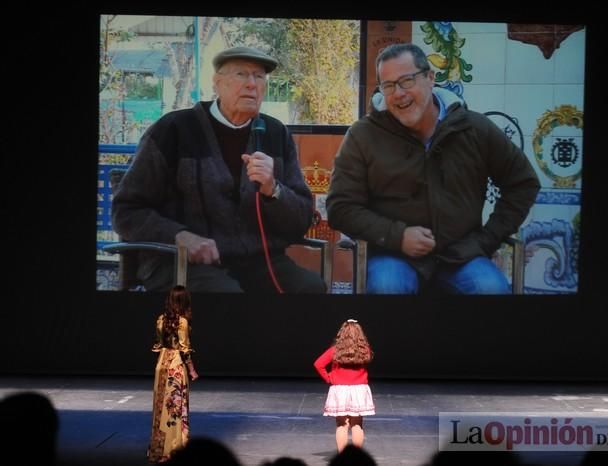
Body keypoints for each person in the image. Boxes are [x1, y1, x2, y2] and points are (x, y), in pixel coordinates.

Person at [326, 43, 541, 294]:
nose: (398, 93)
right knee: (387, 286)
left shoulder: (473, 128)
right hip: (392, 255)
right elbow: (340, 207)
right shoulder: (364, 135)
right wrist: (397, 236)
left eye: (407, 81)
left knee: (490, 288)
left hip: (462, 255)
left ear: (430, 78)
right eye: (388, 85)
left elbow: (523, 183)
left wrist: (486, 240)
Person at [112, 46, 326, 293]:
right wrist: (180, 237)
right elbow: (125, 211)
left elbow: (301, 220)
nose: (252, 84)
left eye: (259, 77)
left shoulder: (276, 134)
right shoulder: (173, 130)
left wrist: (274, 190)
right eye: (241, 75)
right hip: (180, 261)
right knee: (225, 298)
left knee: (310, 288)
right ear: (217, 83)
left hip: (258, 261)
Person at [148, 285, 199, 463]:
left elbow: (158, 344)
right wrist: (192, 370)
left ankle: (160, 449)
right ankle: (175, 450)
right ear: (184, 301)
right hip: (176, 367)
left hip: (161, 365)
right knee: (175, 410)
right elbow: (184, 350)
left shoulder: (161, 320)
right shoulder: (183, 322)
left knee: (161, 408)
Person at [313, 319, 375, 452]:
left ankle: (343, 458)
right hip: (359, 390)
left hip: (340, 390)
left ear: (342, 333)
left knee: (342, 425)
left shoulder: (335, 350)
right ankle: (357, 457)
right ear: (360, 334)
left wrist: (329, 378)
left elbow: (318, 364)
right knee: (357, 424)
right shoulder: (365, 350)